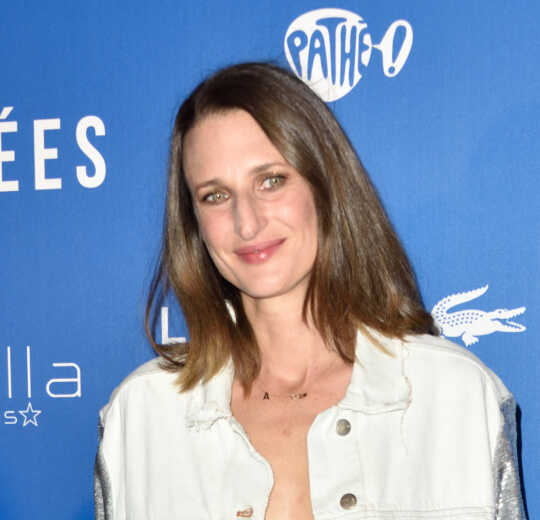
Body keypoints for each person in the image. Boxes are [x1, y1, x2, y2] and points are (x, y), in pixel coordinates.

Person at [94, 63, 526, 519]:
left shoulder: (455, 395)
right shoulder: (140, 416)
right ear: (194, 223)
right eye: (215, 195)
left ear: (326, 187)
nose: (247, 222)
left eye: (271, 181)